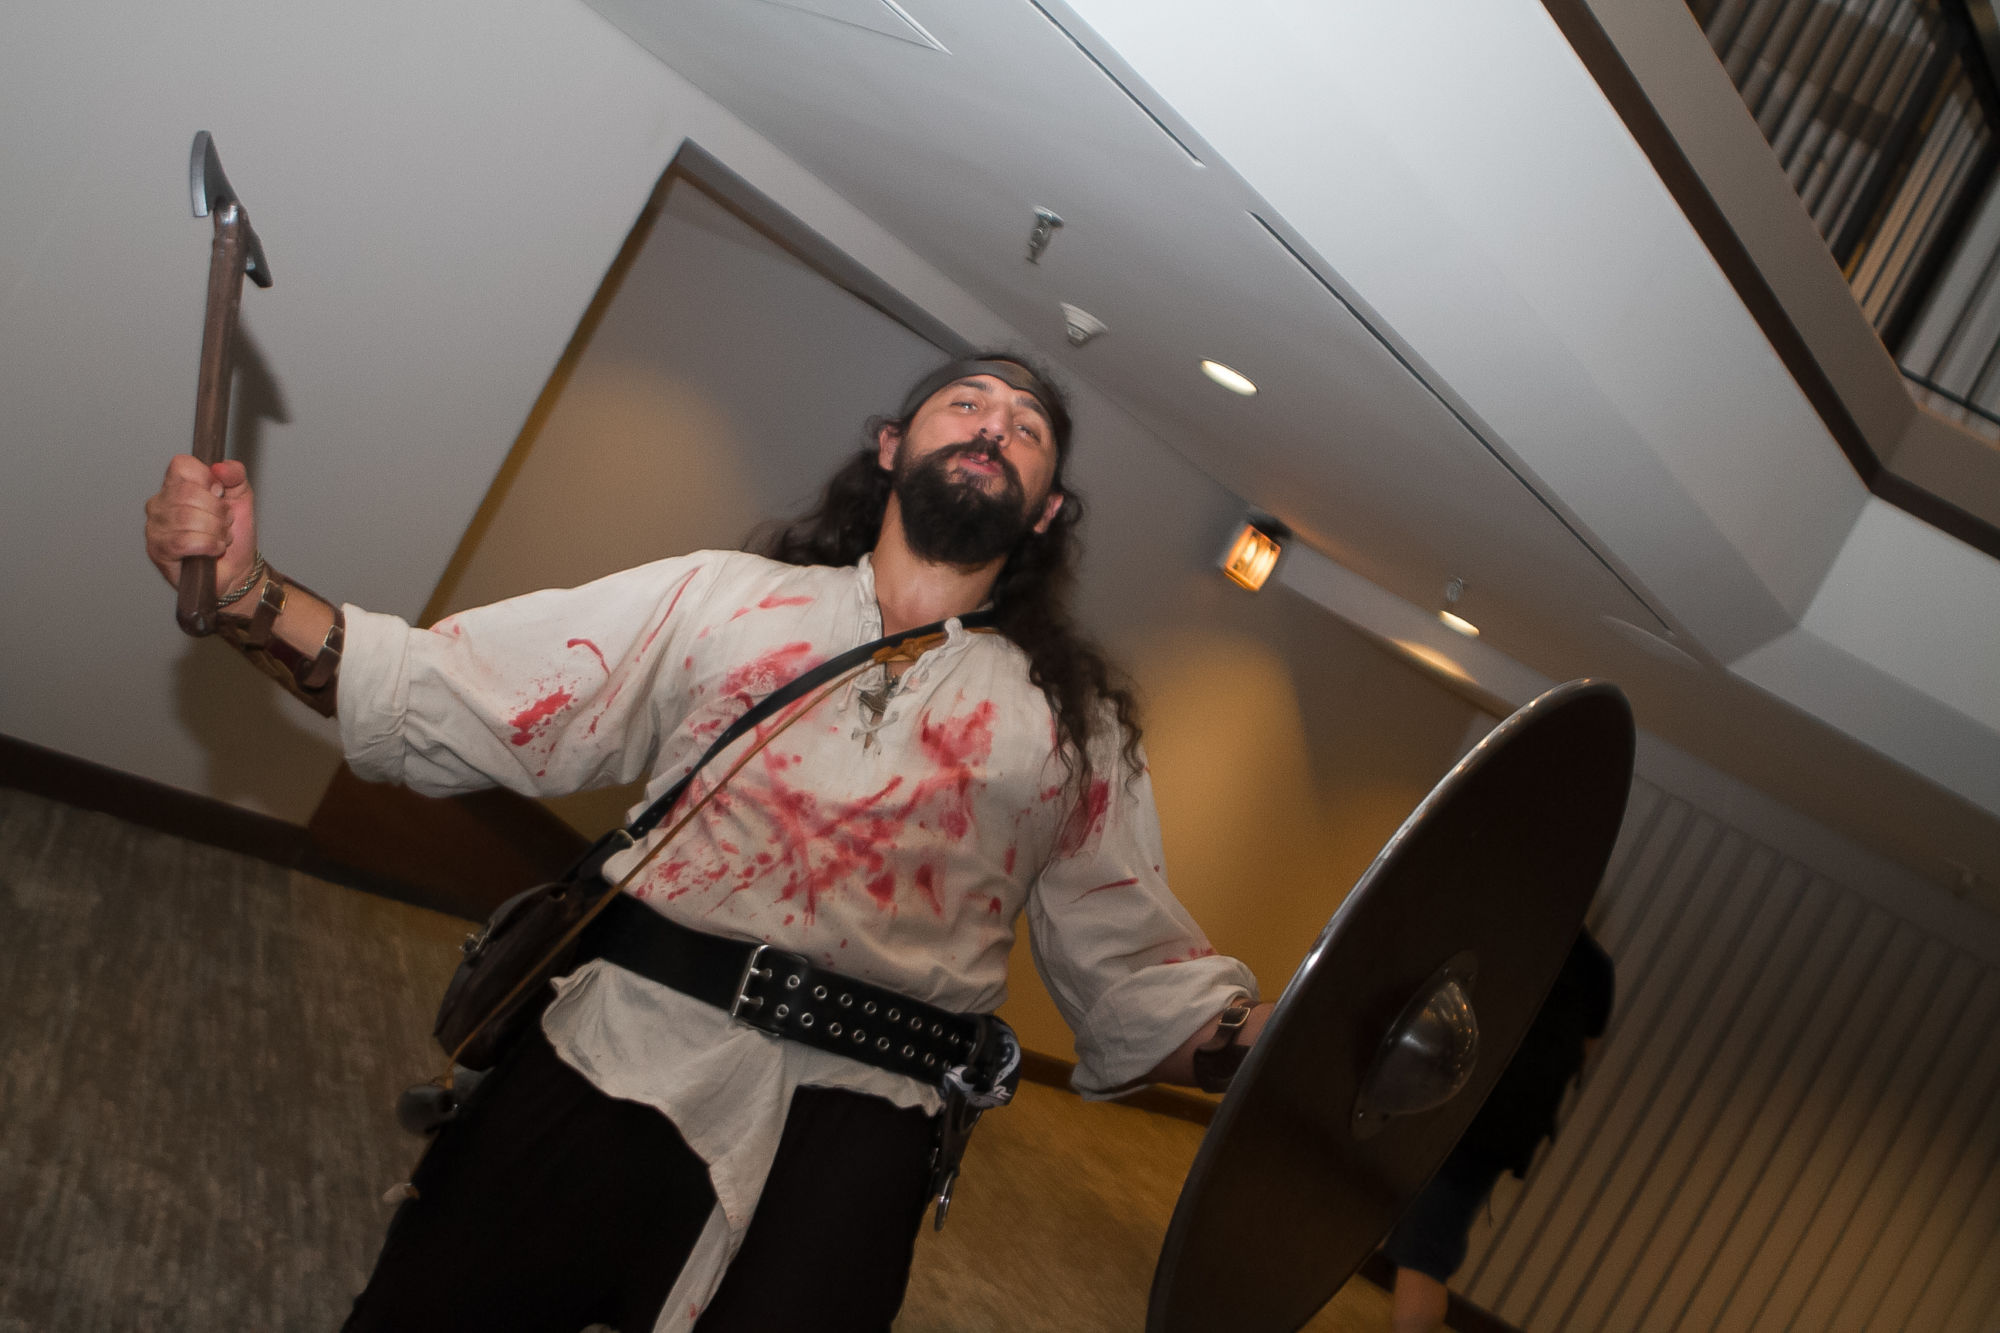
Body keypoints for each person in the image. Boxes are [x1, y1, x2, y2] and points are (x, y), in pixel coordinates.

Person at [143, 353, 1271, 1332]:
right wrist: (245, 593)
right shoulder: (726, 599)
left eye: (1026, 431)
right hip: (622, 1045)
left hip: (859, 1130)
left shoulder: (1075, 725)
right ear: (890, 448)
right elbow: (458, 690)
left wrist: (1280, 1048)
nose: (993, 428)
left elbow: (1137, 979)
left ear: (1046, 512)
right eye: (966, 404)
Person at [1381, 929, 1614, 1332]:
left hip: (1466, 1106)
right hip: (1507, 1126)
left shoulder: (1509, 926)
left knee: (1423, 1251)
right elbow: (1584, 1052)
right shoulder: (1596, 968)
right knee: (1427, 1241)